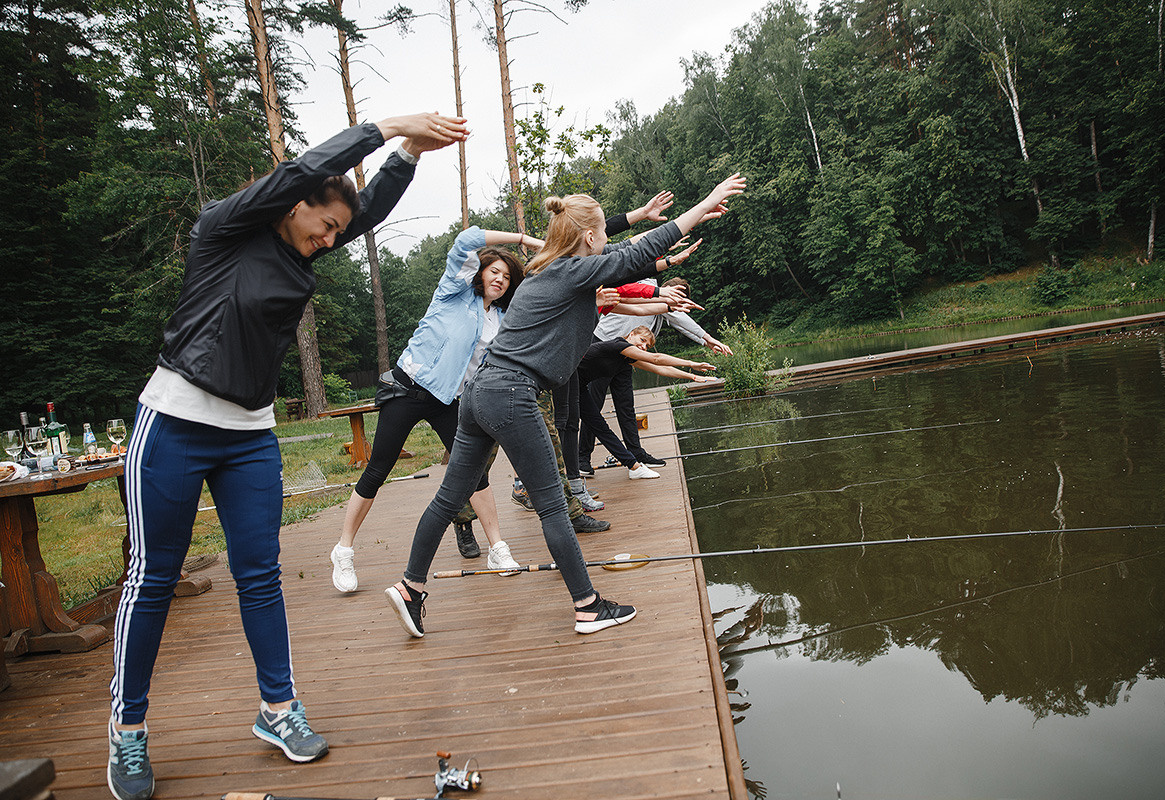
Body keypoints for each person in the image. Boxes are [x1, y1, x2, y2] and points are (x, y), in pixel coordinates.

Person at [106, 112, 467, 800]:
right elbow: (303, 172)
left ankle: (278, 709)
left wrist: (409, 159)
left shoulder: (297, 249)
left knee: (261, 574)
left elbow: (356, 214)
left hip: (248, 435)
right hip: (175, 422)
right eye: (323, 226)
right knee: (151, 580)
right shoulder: (224, 231)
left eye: (336, 232)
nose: (331, 240)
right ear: (292, 205)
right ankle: (128, 732)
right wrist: (385, 128)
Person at [384, 172, 746, 639]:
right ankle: (589, 606)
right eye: (599, 234)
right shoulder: (573, 272)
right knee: (553, 504)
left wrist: (662, 221)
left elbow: (626, 253)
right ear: (588, 237)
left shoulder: (548, 268)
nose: (605, 243)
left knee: (449, 497)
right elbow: (635, 252)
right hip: (512, 393)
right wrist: (705, 201)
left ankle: (411, 588)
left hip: (478, 394)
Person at [330, 228, 536, 593]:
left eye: (507, 277)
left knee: (475, 472)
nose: (500, 280)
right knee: (378, 469)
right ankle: (343, 550)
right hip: (407, 390)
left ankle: (497, 548)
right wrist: (521, 238)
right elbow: (467, 239)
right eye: (494, 272)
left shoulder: (502, 319)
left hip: (449, 401)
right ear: (480, 272)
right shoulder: (453, 293)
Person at [580, 274, 732, 474]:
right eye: (679, 299)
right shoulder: (650, 289)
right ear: (669, 290)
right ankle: (582, 459)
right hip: (603, 346)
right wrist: (708, 339)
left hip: (628, 354)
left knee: (626, 406)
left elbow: (679, 322)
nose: (679, 305)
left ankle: (636, 453)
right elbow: (659, 354)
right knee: (594, 404)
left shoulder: (663, 309)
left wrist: (704, 345)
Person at [576, 325, 718, 476]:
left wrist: (693, 377)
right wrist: (692, 364)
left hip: (578, 386)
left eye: (647, 346)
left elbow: (659, 369)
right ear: (631, 334)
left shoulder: (625, 357)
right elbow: (656, 359)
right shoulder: (619, 345)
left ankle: (633, 466)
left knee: (600, 427)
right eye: (642, 340)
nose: (643, 347)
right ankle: (580, 468)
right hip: (568, 383)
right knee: (575, 426)